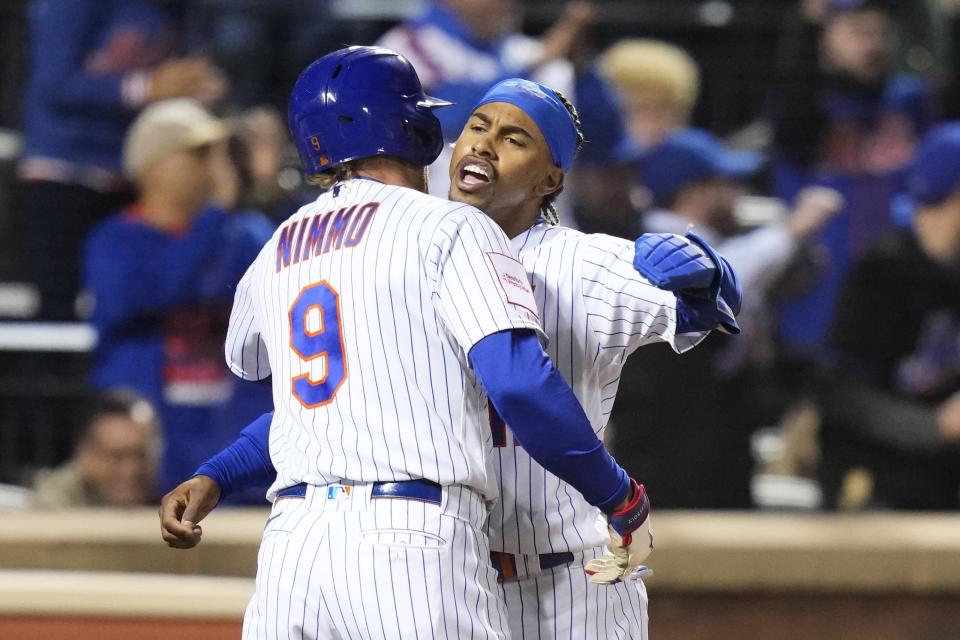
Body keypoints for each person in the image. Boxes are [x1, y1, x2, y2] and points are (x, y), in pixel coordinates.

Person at [160, 74, 743, 637]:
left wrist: (707, 269)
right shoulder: (412, 249)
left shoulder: (583, 263)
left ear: (550, 178)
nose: (485, 143)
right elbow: (338, 405)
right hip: (450, 565)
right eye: (477, 127)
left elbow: (714, 304)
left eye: (515, 139)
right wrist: (221, 472)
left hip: (567, 581)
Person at [82, 98, 273, 493]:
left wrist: (263, 193)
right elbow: (160, 289)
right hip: (146, 437)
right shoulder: (115, 240)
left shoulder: (245, 233)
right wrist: (217, 212)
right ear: (151, 165)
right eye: (199, 152)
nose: (215, 165)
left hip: (227, 423)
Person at [18, 0, 226, 319]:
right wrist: (147, 88)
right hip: (65, 171)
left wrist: (197, 86)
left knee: (141, 301)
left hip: (135, 176)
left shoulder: (180, 10)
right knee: (57, 307)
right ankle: (51, 371)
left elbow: (181, 73)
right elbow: (54, 83)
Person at [768, 0, 934, 348]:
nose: (872, 44)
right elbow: (797, 103)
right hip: (817, 299)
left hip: (897, 298)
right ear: (826, 37)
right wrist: (809, 27)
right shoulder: (803, 104)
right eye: (858, 32)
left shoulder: (908, 99)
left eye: (880, 33)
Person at [818, 122, 960, 509]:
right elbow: (837, 392)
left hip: (939, 486)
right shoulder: (884, 270)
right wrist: (933, 427)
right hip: (874, 488)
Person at [32, 389, 161, 508]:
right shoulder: (52, 507)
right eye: (116, 457)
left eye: (140, 456)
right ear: (84, 454)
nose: (131, 470)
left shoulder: (168, 500)